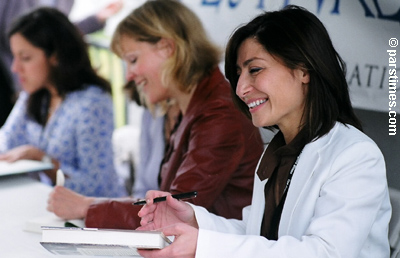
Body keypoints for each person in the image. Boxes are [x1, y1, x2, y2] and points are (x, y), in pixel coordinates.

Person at [136, 5, 391, 258]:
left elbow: (326, 252)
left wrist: (204, 246)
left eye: (255, 70)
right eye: (238, 74)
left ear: (303, 70)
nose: (240, 89)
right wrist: (194, 220)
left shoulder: (355, 155)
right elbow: (257, 235)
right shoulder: (277, 152)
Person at [47, 0, 264, 229]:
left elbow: (170, 211)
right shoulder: (193, 104)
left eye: (133, 60)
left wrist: (86, 207)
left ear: (167, 49)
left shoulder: (219, 112)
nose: (129, 75)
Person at [0, 7, 126, 198]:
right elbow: (6, 143)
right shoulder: (34, 94)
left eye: (25, 58)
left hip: (92, 218)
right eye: (14, 56)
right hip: (47, 206)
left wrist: (43, 159)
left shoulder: (92, 103)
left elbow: (96, 187)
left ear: (55, 56)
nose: (15, 67)